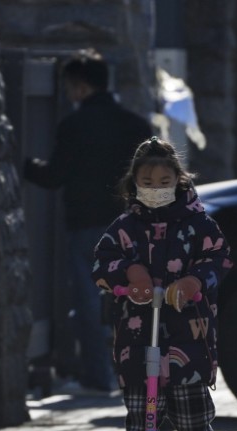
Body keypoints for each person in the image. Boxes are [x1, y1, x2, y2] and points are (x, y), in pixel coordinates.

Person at [91, 137, 233, 431]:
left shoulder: (198, 225)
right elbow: (102, 264)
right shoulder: (124, 227)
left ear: (179, 180)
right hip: (137, 335)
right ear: (134, 183)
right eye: (147, 182)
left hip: (188, 337)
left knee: (193, 416)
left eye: (164, 180)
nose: (156, 189)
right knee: (141, 413)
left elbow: (219, 257)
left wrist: (194, 282)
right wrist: (128, 273)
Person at [23, 50, 153, 393]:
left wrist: (23, 165)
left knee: (87, 302)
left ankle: (98, 377)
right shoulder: (137, 126)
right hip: (132, 226)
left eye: (69, 88)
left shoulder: (74, 125)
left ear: (80, 87)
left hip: (86, 226)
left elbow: (54, 176)